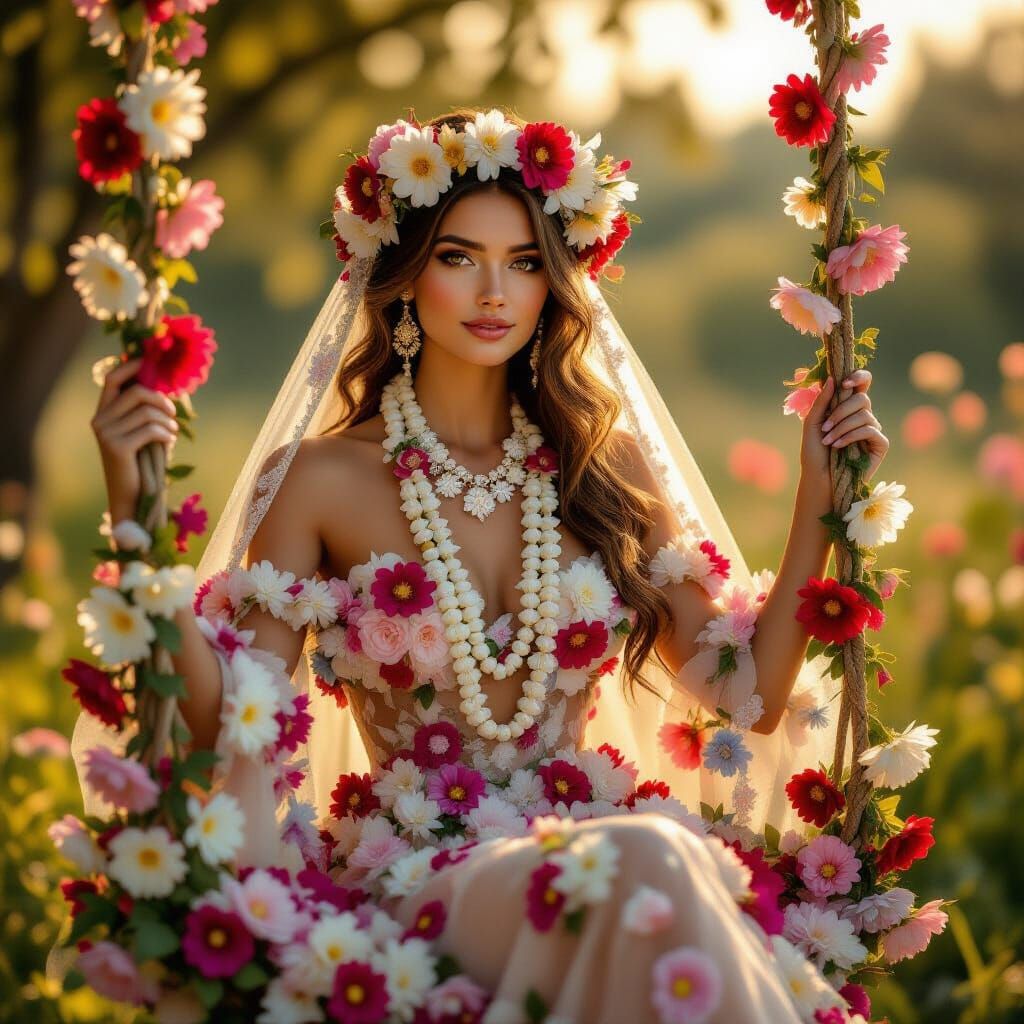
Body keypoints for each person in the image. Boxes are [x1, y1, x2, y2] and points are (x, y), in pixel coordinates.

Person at [83, 106, 889, 1023]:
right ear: (403, 272)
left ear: (556, 282)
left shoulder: (602, 469)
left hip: (602, 842)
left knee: (656, 864)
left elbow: (746, 692)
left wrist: (819, 500)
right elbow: (228, 716)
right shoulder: (323, 480)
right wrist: (131, 511)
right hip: (422, 879)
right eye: (459, 257)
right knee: (652, 864)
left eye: (526, 262)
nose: (495, 291)